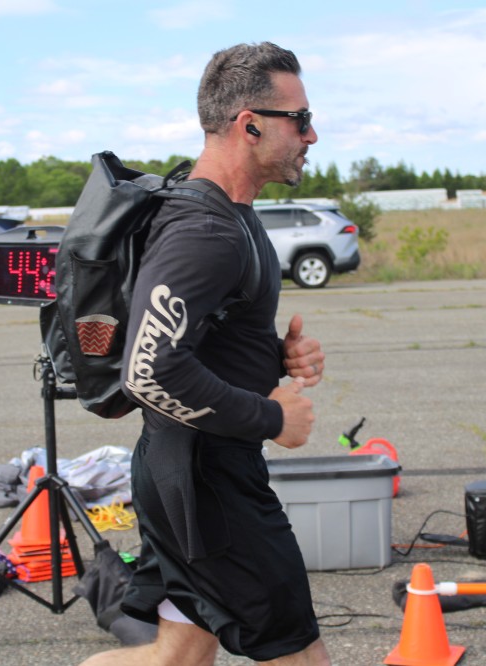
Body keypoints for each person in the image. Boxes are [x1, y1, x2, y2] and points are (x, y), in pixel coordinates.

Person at [78, 42, 329, 666]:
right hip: (207, 486)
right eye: (300, 119)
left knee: (176, 659)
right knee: (299, 654)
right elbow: (149, 370)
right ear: (250, 124)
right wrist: (273, 416)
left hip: (187, 473)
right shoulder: (206, 230)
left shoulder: (232, 214)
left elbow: (200, 337)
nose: (312, 135)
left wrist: (274, 356)